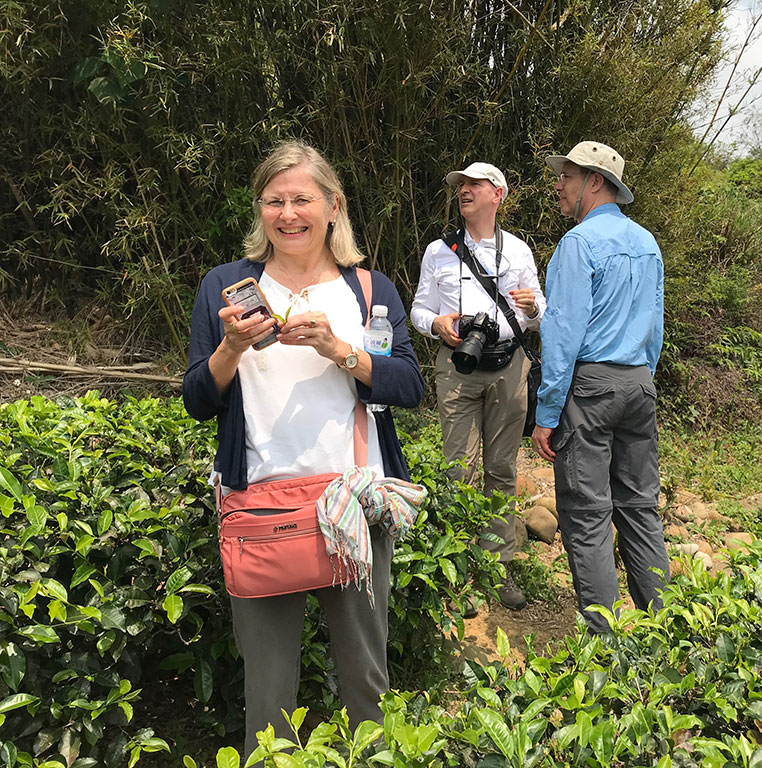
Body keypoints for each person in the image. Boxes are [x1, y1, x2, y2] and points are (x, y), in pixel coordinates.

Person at [182, 141, 424, 755]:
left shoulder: (369, 291)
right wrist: (231, 348)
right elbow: (197, 400)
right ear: (259, 209)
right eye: (274, 200)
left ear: (333, 206)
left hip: (353, 505)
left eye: (302, 199)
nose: (288, 214)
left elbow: (410, 386)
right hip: (260, 507)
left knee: (366, 682)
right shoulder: (225, 287)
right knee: (268, 696)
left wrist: (342, 350)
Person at [531, 140, 669, 635]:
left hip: (590, 386)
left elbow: (563, 332)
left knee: (586, 514)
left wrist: (547, 413)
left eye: (566, 177)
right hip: (638, 382)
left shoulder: (579, 244)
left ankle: (604, 645)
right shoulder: (647, 241)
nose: (558, 186)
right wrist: (641, 376)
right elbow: (654, 325)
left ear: (594, 181)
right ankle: (667, 631)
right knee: (639, 507)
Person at [410, 162, 545, 611]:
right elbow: (418, 310)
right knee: (458, 470)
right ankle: (459, 570)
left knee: (501, 470)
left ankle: (498, 566)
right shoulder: (438, 251)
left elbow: (538, 308)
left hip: (510, 366)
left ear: (497, 195)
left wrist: (533, 306)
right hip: (457, 368)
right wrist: (437, 324)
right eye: (459, 186)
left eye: (473, 185)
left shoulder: (520, 251)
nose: (463, 191)